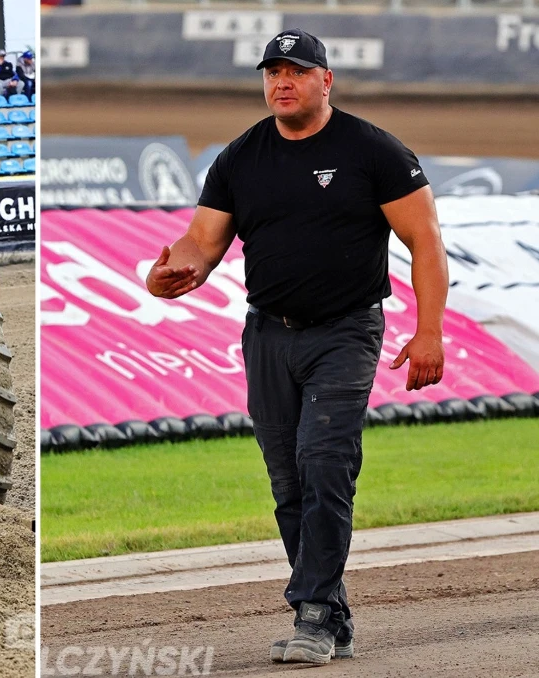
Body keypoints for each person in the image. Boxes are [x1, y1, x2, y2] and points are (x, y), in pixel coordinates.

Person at [146, 29, 448, 666]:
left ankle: (310, 615)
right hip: (267, 334)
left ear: (325, 80)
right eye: (272, 72)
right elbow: (201, 243)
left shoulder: (373, 151)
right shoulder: (240, 158)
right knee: (287, 480)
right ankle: (331, 611)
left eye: (296, 71)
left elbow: (425, 241)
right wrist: (171, 275)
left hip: (346, 330)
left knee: (324, 464)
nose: (281, 82)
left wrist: (428, 331)